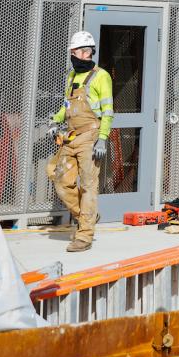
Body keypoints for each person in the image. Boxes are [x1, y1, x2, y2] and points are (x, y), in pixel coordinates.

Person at [47, 30, 114, 251]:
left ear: (86, 52)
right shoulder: (72, 76)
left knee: (88, 186)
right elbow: (67, 105)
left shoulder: (101, 76)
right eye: (72, 52)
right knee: (60, 180)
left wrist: (102, 139)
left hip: (90, 137)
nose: (73, 56)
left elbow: (108, 111)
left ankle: (84, 235)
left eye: (75, 52)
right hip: (71, 137)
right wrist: (56, 119)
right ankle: (87, 216)